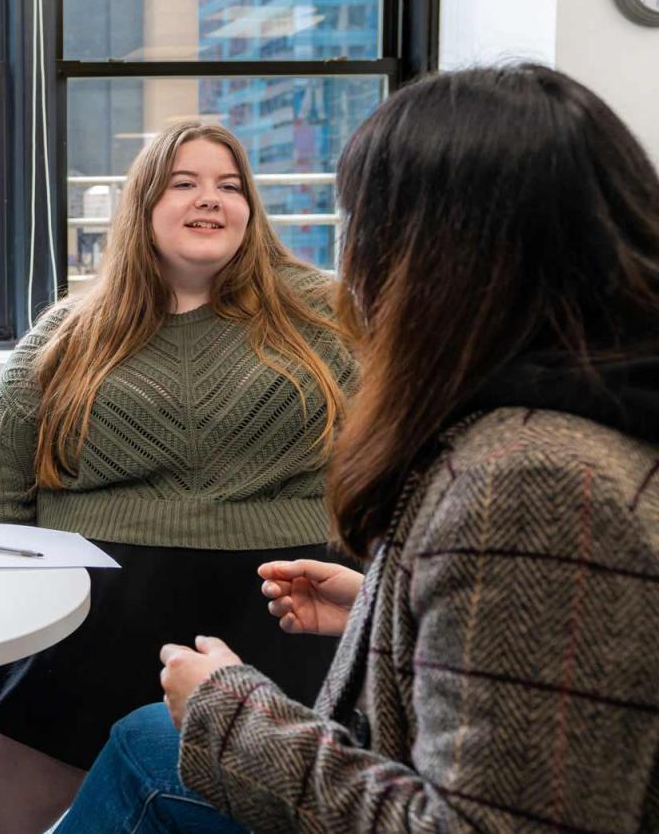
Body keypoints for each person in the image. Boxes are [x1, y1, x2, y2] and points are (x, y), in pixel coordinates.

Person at [58, 64, 659, 833]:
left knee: (153, 741)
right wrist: (386, 611)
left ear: (445, 258)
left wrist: (230, 711)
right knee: (147, 731)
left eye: (366, 225)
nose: (358, 271)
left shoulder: (535, 484)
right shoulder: (578, 417)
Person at [0, 122, 358, 832]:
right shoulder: (68, 332)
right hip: (98, 614)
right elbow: (4, 499)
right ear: (142, 205)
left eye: (230, 187)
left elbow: (391, 454)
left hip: (288, 604)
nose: (210, 200)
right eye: (184, 183)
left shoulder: (330, 314)